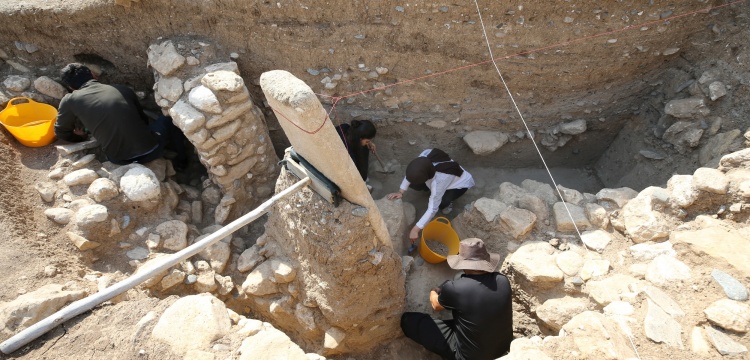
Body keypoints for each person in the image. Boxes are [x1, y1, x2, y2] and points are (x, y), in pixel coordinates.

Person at [54, 63, 186, 169]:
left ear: (71, 87)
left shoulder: (69, 100)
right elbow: (143, 120)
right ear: (93, 75)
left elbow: (61, 132)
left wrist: (81, 137)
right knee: (169, 118)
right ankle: (182, 161)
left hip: (118, 160)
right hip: (151, 151)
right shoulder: (122, 90)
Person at [401, 238, 513, 360]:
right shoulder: (502, 280)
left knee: (408, 321)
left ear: (464, 264)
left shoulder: (456, 288)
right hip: (502, 349)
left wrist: (434, 291)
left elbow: (436, 305)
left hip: (469, 356)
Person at [387, 148, 474, 243]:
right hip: (435, 178)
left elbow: (432, 209)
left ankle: (448, 203)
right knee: (414, 182)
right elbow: (412, 173)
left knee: (442, 202)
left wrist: (416, 229)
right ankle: (430, 190)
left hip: (459, 185)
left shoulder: (440, 181)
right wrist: (400, 192)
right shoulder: (424, 157)